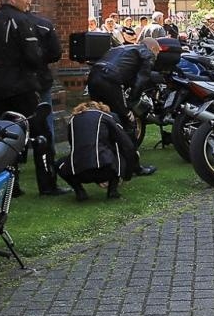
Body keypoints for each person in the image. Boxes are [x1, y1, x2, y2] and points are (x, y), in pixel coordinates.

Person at [0, 0, 66, 196]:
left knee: (4, 136)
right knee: (40, 134)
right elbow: (34, 56)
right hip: (20, 86)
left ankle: (9, 186)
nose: (29, 1)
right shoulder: (21, 20)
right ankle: (48, 184)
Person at [85, 37, 161, 177]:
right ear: (153, 49)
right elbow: (141, 80)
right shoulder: (146, 53)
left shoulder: (120, 48)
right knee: (129, 123)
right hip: (111, 79)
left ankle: (97, 162)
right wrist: (131, 104)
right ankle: (134, 167)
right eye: (157, 52)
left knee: (100, 119)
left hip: (94, 76)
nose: (157, 56)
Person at [58, 101, 140, 200]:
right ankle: (112, 191)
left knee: (59, 163)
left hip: (79, 172)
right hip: (105, 170)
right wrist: (127, 175)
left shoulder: (73, 120)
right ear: (101, 108)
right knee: (120, 150)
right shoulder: (105, 117)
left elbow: (74, 146)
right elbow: (127, 145)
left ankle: (79, 191)